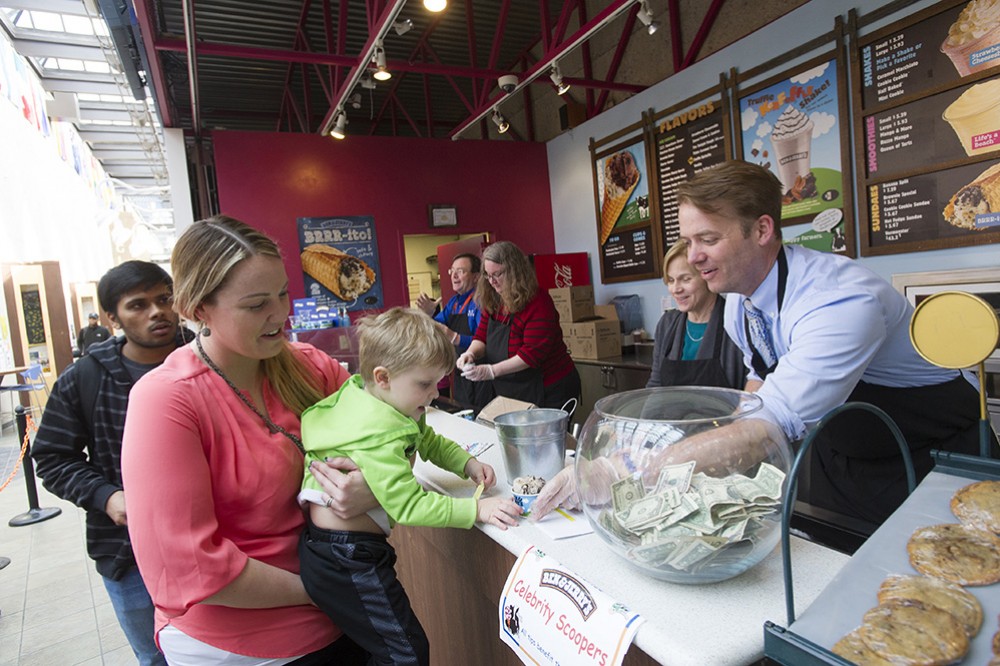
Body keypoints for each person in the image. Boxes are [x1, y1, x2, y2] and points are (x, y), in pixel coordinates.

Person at [534, 161, 994, 527]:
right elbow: (753, 404)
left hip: (932, 456)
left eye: (708, 239)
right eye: (688, 240)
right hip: (844, 456)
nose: (693, 257)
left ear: (762, 230)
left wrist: (624, 471)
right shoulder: (738, 303)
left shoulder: (839, 301)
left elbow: (766, 427)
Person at [121, 216, 375, 665]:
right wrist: (325, 592)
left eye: (282, 293)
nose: (280, 315)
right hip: (238, 645)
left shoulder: (308, 366)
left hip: (340, 619)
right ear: (199, 309)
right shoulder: (166, 401)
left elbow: (388, 435)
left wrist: (372, 482)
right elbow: (188, 566)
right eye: (257, 305)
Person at [297, 307, 522, 666]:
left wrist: (466, 462)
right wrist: (476, 509)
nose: (434, 394)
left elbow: (428, 440)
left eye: (437, 382)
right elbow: (409, 506)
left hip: (344, 552)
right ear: (383, 377)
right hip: (346, 557)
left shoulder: (379, 403)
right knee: (407, 653)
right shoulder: (378, 434)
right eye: (424, 384)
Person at [32, 260, 191, 666]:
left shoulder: (210, 358)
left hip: (218, 538)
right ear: (111, 317)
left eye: (164, 299)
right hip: (128, 552)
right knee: (154, 657)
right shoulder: (85, 378)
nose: (157, 312)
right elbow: (52, 457)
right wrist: (107, 497)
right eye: (138, 305)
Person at [457, 241, 581, 410]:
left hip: (549, 388)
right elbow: (481, 337)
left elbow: (531, 355)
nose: (492, 281)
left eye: (497, 274)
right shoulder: (494, 299)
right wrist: (470, 353)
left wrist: (491, 371)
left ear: (515, 271)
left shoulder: (538, 302)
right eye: (487, 275)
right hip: (513, 388)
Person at [646, 239, 746, 390]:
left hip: (726, 413)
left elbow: (752, 390)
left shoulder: (738, 321)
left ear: (707, 277)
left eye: (685, 279)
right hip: (671, 413)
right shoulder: (667, 323)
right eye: (671, 280)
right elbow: (656, 385)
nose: (675, 289)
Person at [416, 253, 494, 410]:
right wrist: (428, 314)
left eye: (461, 271)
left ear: (476, 277)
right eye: (452, 271)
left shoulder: (481, 301)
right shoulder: (453, 302)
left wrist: (455, 337)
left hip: (481, 374)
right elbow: (434, 329)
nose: (454, 276)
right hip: (459, 373)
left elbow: (486, 341)